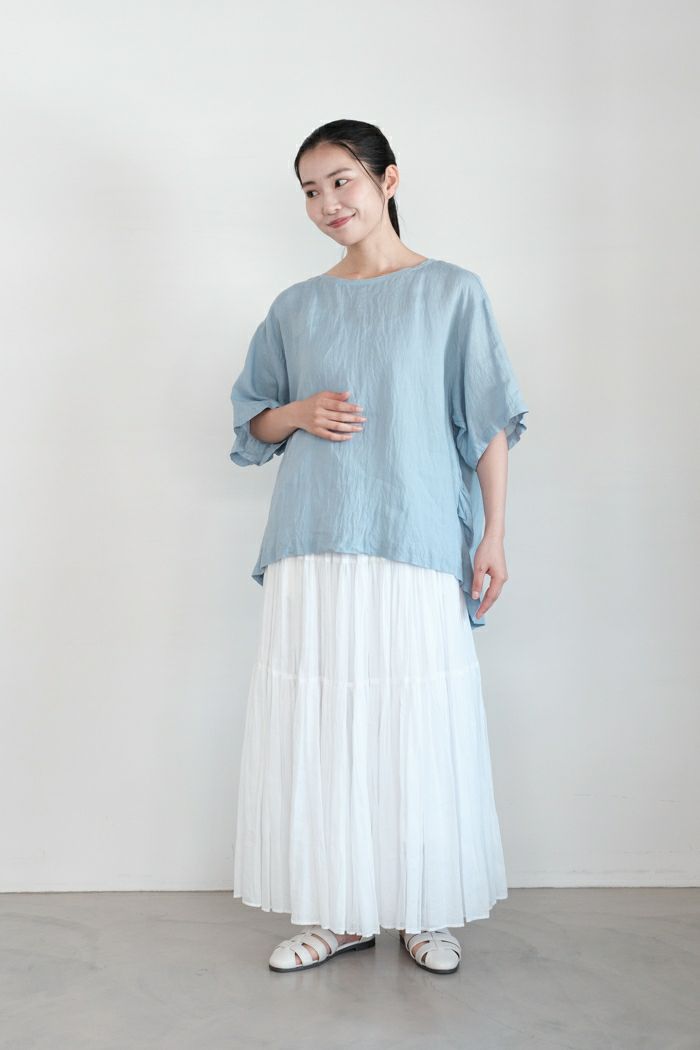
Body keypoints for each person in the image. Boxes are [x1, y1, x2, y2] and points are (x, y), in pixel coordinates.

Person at [228, 119, 529, 975]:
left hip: (416, 536)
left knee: (417, 722)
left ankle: (426, 909)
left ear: (387, 180)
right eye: (310, 190)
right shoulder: (296, 306)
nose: (328, 203)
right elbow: (254, 422)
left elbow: (486, 423)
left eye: (341, 181)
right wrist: (297, 413)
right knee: (327, 728)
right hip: (314, 540)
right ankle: (340, 912)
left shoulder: (452, 293)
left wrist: (494, 535)